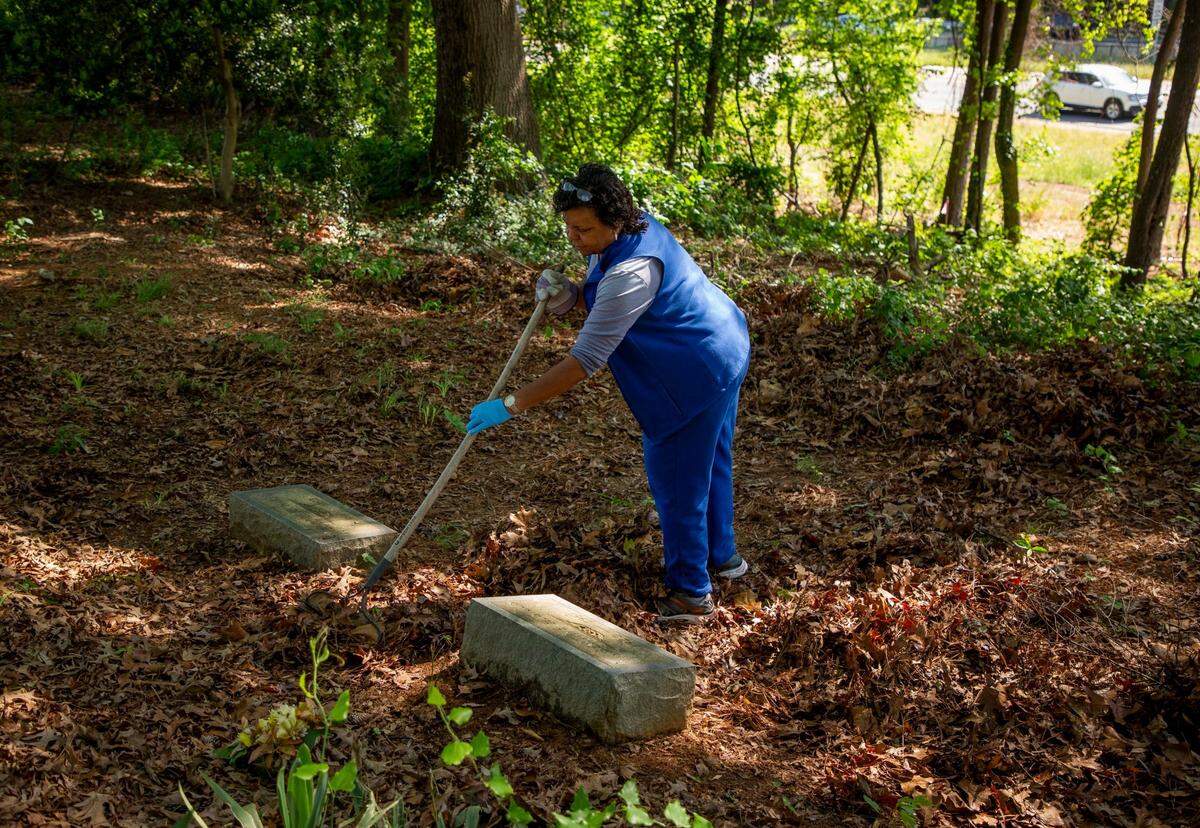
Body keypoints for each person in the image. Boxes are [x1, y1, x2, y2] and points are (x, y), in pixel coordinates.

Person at [465, 164, 751, 624]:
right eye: (569, 228)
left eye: (584, 229)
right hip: (725, 341)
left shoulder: (633, 271)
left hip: (696, 370)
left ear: (615, 221)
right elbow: (604, 300)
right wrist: (570, 294)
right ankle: (725, 559)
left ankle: (691, 594)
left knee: (679, 481)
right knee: (712, 462)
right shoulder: (634, 229)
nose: (575, 239)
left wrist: (511, 404)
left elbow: (585, 360)